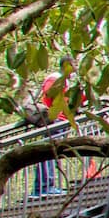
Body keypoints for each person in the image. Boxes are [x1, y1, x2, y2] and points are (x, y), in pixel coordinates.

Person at [28, 57, 74, 197]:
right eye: (73, 65)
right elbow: (50, 95)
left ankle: (44, 186)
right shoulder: (55, 78)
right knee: (49, 152)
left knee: (52, 153)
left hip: (61, 120)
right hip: (55, 120)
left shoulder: (63, 80)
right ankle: (44, 187)